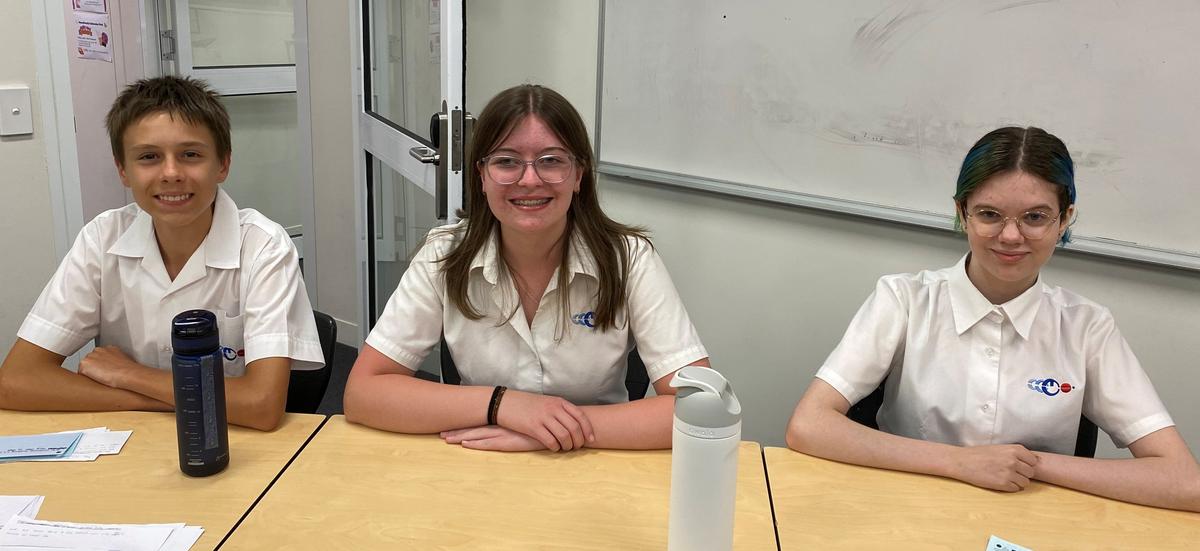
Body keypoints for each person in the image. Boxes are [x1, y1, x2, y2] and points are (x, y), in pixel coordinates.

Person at [786, 126, 1200, 512]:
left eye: (1035, 217)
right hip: (906, 511)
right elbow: (809, 425)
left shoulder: (1087, 327)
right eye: (989, 214)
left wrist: (1028, 464)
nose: (1011, 236)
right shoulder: (904, 299)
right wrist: (959, 462)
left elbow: (1184, 481)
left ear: (1064, 219)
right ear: (962, 212)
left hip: (1031, 522)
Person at [344, 84, 710, 451]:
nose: (530, 180)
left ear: (578, 175)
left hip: (595, 461)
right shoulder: (444, 256)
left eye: (551, 161)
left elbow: (700, 408)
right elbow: (363, 393)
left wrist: (547, 430)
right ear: (482, 176)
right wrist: (502, 405)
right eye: (506, 161)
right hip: (479, 457)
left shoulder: (628, 259)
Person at [0, 76, 323, 431]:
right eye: (149, 157)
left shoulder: (263, 246)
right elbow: (15, 381)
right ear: (123, 170)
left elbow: (261, 405)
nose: (171, 173)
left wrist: (129, 375)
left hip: (233, 442)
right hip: (135, 442)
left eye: (190, 155)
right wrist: (169, 400)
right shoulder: (102, 238)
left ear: (223, 164)